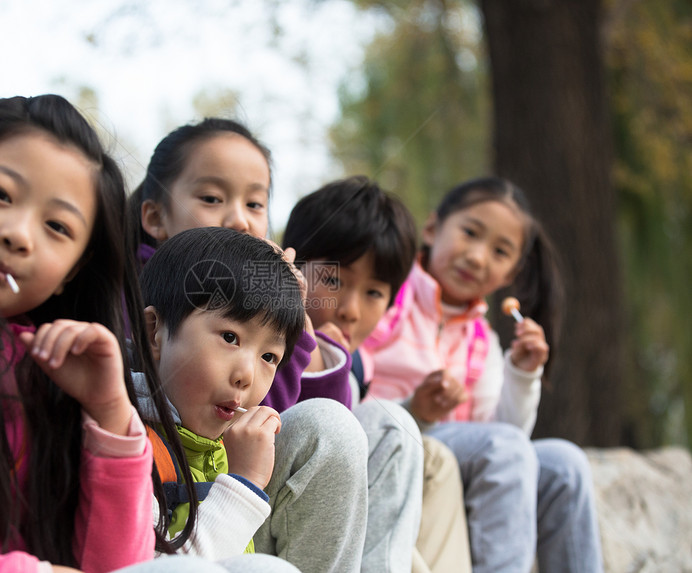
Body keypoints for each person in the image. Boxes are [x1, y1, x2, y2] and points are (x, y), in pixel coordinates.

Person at [0, 95, 299, 573]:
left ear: (73, 270)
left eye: (57, 226)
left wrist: (110, 411)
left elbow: (118, 564)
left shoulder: (55, 363)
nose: (19, 234)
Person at [130, 118, 424, 572]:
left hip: (233, 491)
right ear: (154, 215)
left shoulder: (278, 307)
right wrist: (245, 480)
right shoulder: (131, 307)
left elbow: (305, 431)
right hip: (193, 515)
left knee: (382, 424)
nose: (238, 218)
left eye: (255, 202)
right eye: (212, 198)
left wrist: (302, 341)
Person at [362, 176, 604, 573]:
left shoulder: (483, 341)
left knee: (565, 464)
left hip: (463, 459)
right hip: (390, 441)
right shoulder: (385, 297)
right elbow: (347, 386)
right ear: (433, 228)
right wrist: (414, 408)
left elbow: (511, 439)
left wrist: (523, 374)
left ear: (512, 273)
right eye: (470, 233)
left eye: (499, 251)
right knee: (505, 448)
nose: (477, 257)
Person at [280, 175, 472, 573]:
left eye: (373, 293)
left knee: (415, 438)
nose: (351, 309)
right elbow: (325, 434)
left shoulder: (358, 364)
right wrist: (315, 356)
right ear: (294, 267)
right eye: (333, 280)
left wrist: (416, 409)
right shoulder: (269, 341)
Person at [136, 227, 305, 559]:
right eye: (230, 337)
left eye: (269, 357)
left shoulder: (228, 442)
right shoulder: (127, 443)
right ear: (153, 332)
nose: (246, 375)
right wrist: (244, 481)